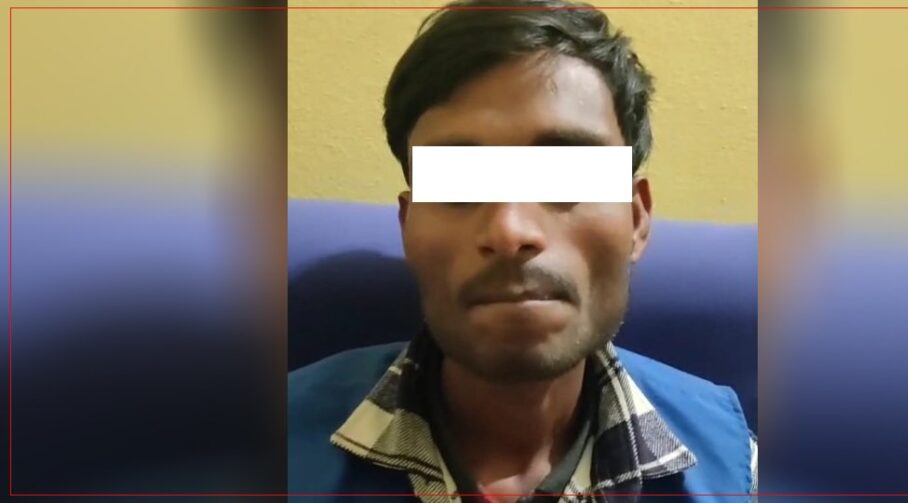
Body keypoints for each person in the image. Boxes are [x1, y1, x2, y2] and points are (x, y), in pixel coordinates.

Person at [289, 0, 757, 500]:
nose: (510, 230)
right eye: (459, 182)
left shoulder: (736, 467)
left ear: (637, 220)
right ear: (407, 225)